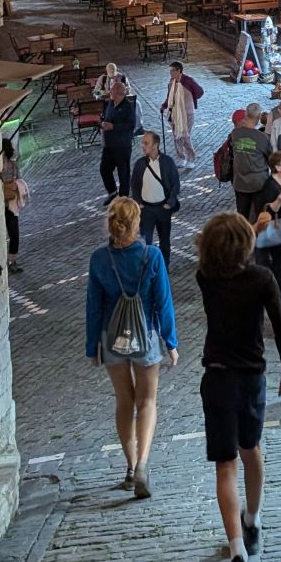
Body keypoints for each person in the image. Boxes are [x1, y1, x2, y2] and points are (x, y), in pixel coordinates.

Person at [195, 212, 281, 562]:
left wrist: (243, 230)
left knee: (225, 466)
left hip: (217, 378)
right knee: (251, 450)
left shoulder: (206, 278)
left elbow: (216, 247)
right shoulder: (262, 279)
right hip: (251, 378)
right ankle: (252, 520)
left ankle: (237, 553)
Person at [84, 197, 178, 498]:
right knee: (147, 401)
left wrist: (92, 347)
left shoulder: (99, 260)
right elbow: (163, 302)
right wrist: (171, 342)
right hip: (146, 336)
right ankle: (143, 464)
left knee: (123, 400)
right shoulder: (152, 256)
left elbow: (93, 307)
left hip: (112, 338)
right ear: (137, 223)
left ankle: (130, 464)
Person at [251, 150, 281, 299]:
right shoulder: (270, 186)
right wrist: (278, 201)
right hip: (278, 228)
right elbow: (266, 211)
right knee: (280, 261)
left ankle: (277, 288)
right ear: (278, 167)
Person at [130, 130, 181, 266]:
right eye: (143, 143)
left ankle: (164, 267)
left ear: (155, 145)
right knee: (145, 242)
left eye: (146, 143)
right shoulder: (140, 164)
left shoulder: (167, 162)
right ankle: (147, 267)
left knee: (165, 241)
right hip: (146, 210)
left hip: (163, 208)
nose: (143, 146)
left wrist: (169, 203)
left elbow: (175, 183)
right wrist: (138, 203)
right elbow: (134, 184)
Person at [228, 102, 273, 222]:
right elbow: (271, 159)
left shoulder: (235, 134)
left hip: (240, 182)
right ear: (258, 118)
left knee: (242, 215)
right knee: (259, 216)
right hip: (259, 183)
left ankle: (244, 232)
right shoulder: (262, 137)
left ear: (246, 115)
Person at [99, 78, 138, 200]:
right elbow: (106, 116)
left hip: (122, 145)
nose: (110, 92)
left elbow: (131, 125)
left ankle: (124, 196)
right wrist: (103, 122)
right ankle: (112, 192)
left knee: (123, 172)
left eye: (112, 91)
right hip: (109, 144)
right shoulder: (111, 103)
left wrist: (114, 126)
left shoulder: (128, 106)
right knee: (104, 168)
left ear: (119, 92)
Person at [0, 132, 29, 276]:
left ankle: (12, 261)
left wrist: (13, 185)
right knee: (1, 235)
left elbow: (18, 180)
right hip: (0, 206)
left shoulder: (13, 166)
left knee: (14, 234)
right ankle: (3, 261)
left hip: (10, 205)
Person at [163, 61, 200, 170]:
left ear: (179, 71)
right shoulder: (171, 82)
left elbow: (199, 92)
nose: (171, 73)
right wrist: (164, 106)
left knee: (185, 135)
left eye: (172, 70)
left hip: (187, 112)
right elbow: (170, 97)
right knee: (176, 136)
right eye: (170, 71)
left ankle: (191, 158)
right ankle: (181, 157)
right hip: (175, 113)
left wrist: (190, 100)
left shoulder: (188, 81)